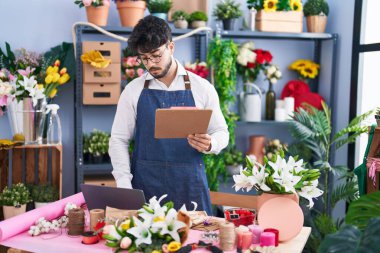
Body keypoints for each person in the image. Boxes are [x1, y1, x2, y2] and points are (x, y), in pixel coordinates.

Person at [109, 15, 229, 214]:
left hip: (190, 187)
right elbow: (119, 139)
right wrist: (123, 184)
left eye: (156, 55)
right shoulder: (133, 90)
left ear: (171, 47)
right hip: (145, 186)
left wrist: (210, 143)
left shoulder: (202, 88)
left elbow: (222, 132)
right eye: (145, 58)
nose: (151, 63)